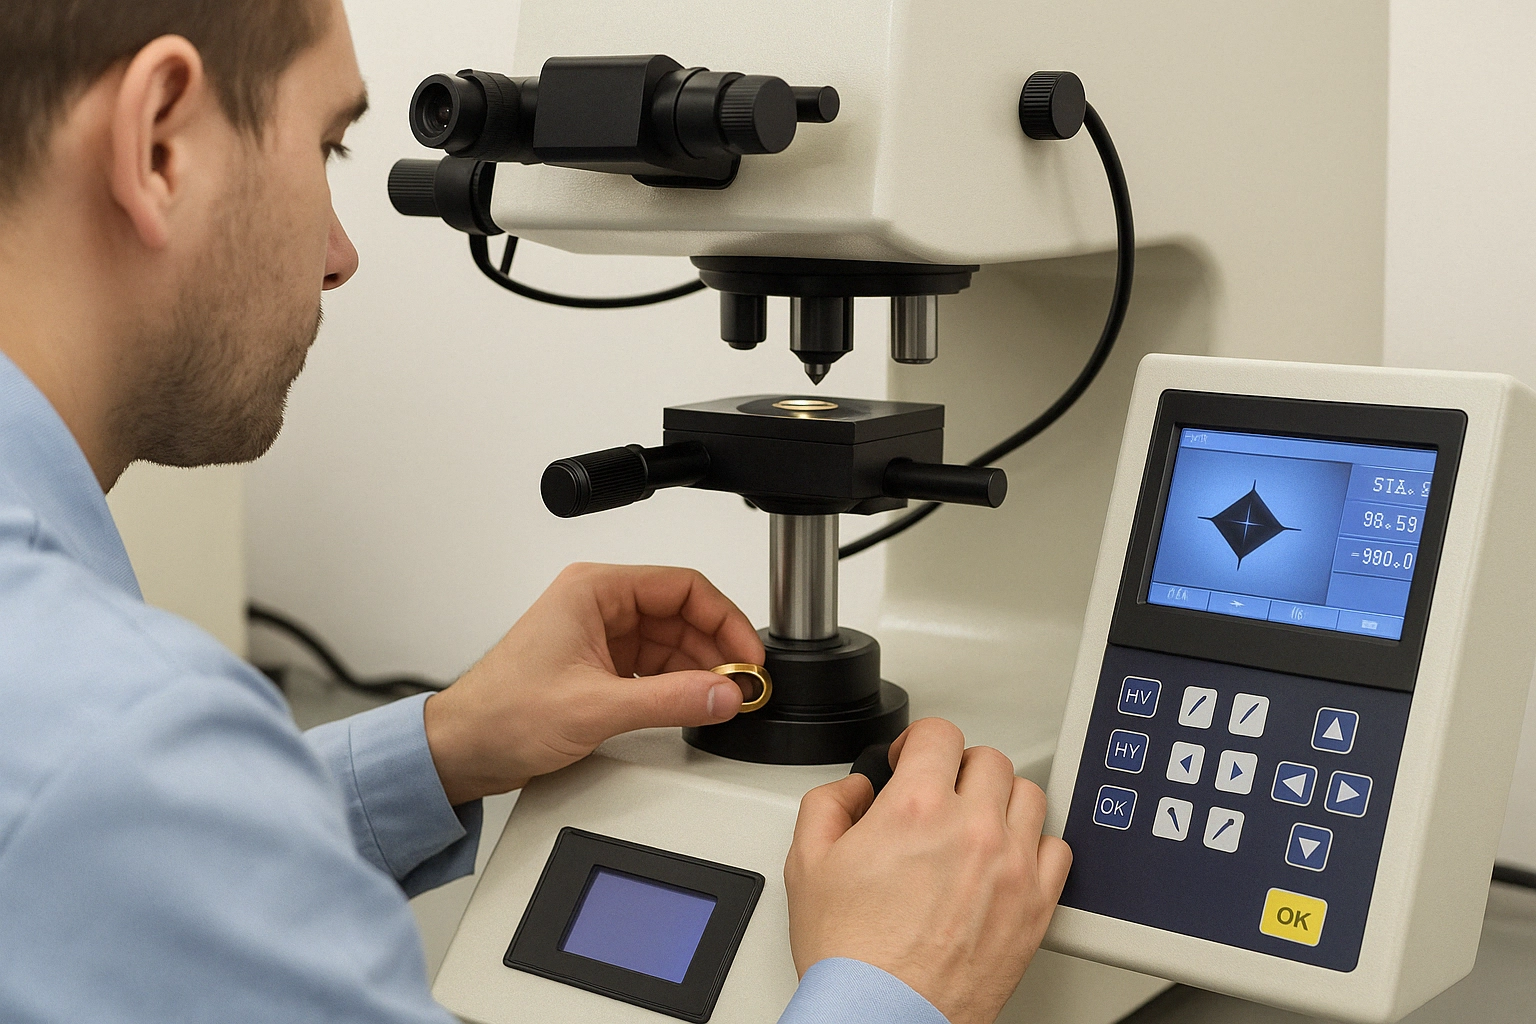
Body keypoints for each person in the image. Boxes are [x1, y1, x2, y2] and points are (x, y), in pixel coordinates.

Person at [0, 2, 1072, 1023]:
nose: (341, 255)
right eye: (327, 147)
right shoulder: (116, 746)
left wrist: (443, 747)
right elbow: (116, 815)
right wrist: (894, 984)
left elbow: (107, 872)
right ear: (158, 144)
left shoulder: (87, 753)